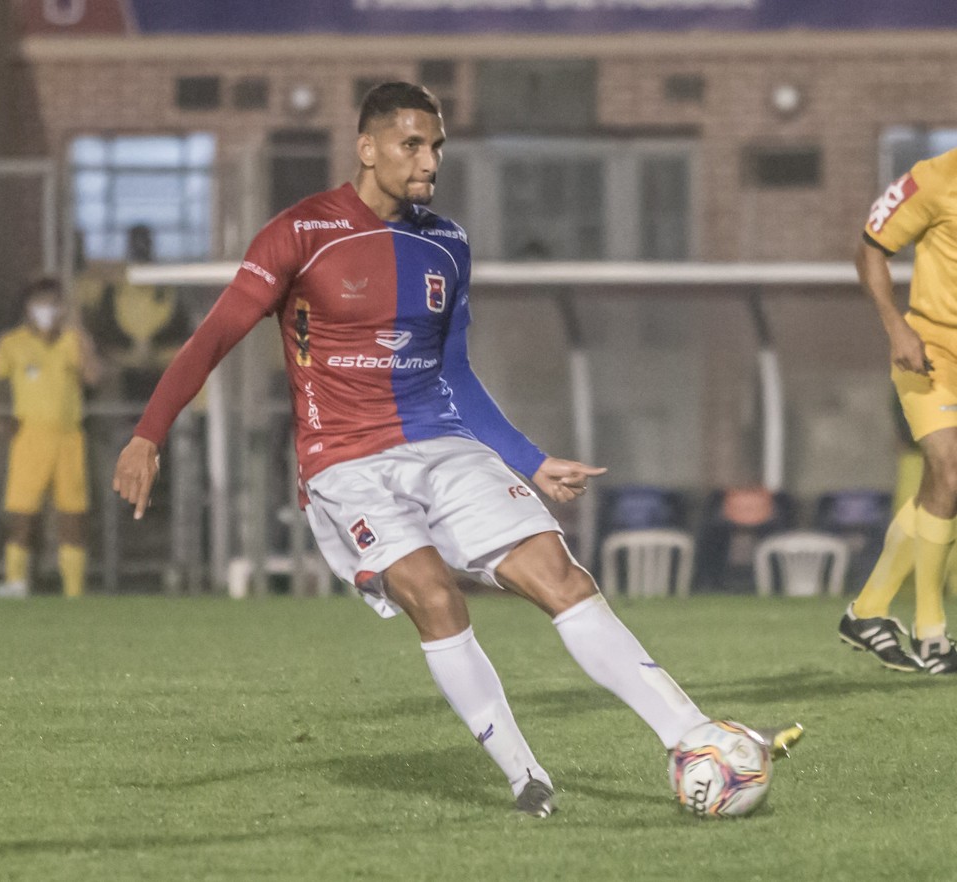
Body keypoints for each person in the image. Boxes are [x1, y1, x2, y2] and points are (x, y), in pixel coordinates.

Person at [113, 82, 802, 816]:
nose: (428, 160)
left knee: (561, 577)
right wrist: (149, 434)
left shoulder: (446, 242)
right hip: (344, 462)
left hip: (441, 445)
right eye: (412, 144)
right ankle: (523, 774)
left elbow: (454, 373)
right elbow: (214, 336)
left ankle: (690, 733)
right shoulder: (300, 232)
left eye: (436, 145)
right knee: (435, 597)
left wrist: (530, 459)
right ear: (367, 148)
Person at [838, 147, 957, 674]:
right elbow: (869, 248)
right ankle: (933, 634)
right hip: (930, 351)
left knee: (942, 486)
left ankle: (866, 613)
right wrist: (895, 325)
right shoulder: (934, 177)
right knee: (949, 472)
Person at [0, 277, 101, 598]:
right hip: (30, 436)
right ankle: (16, 580)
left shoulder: (72, 341)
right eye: (41, 302)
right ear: (28, 307)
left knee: (72, 515)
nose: (47, 310)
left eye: (53, 303)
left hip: (69, 437)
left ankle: (74, 590)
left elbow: (93, 376)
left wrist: (80, 331)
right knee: (22, 512)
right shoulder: (12, 343)